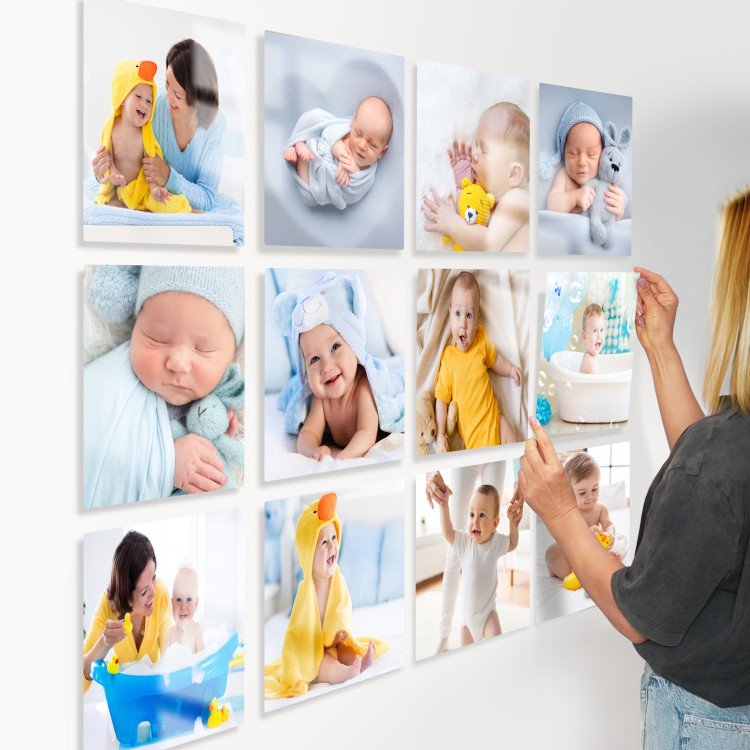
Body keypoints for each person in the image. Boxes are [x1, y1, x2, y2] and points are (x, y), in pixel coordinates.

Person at [518, 187, 750, 747]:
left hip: (709, 723)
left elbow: (636, 617)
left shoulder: (718, 461)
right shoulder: (726, 448)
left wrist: (560, 514)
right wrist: (661, 349)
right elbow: (714, 472)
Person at [84, 265, 244, 506]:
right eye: (157, 339)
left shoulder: (211, 409)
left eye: (202, 349)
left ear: (232, 355)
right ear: (136, 327)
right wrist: (168, 464)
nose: (177, 363)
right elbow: (96, 455)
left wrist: (212, 442)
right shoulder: (106, 377)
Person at [264, 493, 387, 698]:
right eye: (323, 542)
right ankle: (347, 673)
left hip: (332, 643)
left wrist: (341, 631)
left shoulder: (337, 579)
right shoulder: (306, 591)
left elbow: (342, 608)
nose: (332, 546)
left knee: (347, 652)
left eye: (334, 538)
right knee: (325, 664)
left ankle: (356, 663)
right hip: (310, 651)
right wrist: (310, 650)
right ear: (308, 553)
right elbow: (298, 631)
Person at [273, 272, 405, 461]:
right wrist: (313, 451)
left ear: (353, 344)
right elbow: (308, 433)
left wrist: (341, 458)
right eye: (314, 359)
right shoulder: (322, 399)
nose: (326, 366)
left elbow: (366, 433)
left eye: (335, 347)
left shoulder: (364, 387)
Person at [93, 39, 226, 212]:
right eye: (167, 84)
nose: (168, 97)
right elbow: (119, 147)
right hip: (142, 192)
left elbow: (207, 199)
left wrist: (169, 177)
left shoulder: (216, 127)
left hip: (160, 199)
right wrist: (101, 173)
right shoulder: (152, 105)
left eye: (177, 95)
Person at [422, 102, 530, 252]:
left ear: (513, 174)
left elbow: (486, 244)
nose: (474, 153)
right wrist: (463, 187)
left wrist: (452, 223)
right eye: (476, 145)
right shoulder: (490, 200)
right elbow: (472, 232)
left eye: (484, 150)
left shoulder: (519, 199)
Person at [434, 271, 521, 452]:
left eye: (469, 316)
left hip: (495, 421)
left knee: (511, 435)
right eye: (458, 314)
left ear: (477, 319)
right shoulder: (449, 358)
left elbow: (494, 359)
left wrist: (511, 369)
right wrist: (441, 434)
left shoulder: (481, 339)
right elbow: (441, 399)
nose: (463, 324)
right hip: (474, 442)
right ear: (450, 314)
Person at [94, 58, 191, 213]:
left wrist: (154, 189)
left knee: (169, 203)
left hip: (143, 191)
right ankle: (123, 202)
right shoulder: (111, 128)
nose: (145, 104)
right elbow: (107, 158)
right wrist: (114, 173)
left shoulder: (145, 134)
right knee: (107, 203)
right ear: (123, 97)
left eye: (149, 100)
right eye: (138, 97)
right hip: (120, 189)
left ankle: (188, 211)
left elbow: (151, 168)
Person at [434, 483, 521, 645]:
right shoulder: (465, 542)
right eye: (472, 514)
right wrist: (444, 505)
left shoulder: (495, 543)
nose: (475, 521)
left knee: (495, 645)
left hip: (488, 615)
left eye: (482, 515)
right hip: (467, 621)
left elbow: (513, 543)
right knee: (467, 659)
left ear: (495, 524)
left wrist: (512, 523)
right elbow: (447, 531)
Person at [83, 531, 171, 690]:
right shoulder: (108, 604)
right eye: (144, 591)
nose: (153, 593)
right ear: (127, 596)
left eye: (153, 578)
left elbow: (170, 656)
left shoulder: (162, 594)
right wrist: (105, 641)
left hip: (156, 691)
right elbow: (81, 675)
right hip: (125, 697)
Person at [283, 96, 393, 209]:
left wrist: (354, 171)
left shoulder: (367, 177)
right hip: (317, 149)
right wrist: (342, 155)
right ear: (353, 123)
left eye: (372, 145)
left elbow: (354, 196)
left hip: (318, 181)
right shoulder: (346, 132)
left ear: (382, 152)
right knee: (315, 117)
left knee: (309, 198)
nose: (362, 146)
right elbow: (329, 132)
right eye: (358, 134)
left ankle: (300, 156)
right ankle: (298, 143)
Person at [545, 452, 619, 589]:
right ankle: (574, 572)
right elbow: (566, 537)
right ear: (568, 490)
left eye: (595, 489)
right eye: (582, 493)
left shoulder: (601, 509)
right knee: (551, 551)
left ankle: (594, 570)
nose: (590, 496)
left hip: (592, 554)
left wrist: (610, 534)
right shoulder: (570, 511)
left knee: (607, 557)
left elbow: (609, 524)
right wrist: (585, 535)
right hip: (572, 553)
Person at [544, 100, 626, 220]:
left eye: (592, 154)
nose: (582, 162)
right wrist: (574, 197)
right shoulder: (564, 176)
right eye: (573, 153)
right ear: (564, 152)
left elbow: (612, 213)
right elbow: (551, 206)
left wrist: (619, 210)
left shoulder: (603, 180)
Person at [165, 566, 205, 653]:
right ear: (172, 603)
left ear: (196, 604)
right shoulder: (170, 633)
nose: (183, 606)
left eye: (189, 599)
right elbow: (164, 664)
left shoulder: (196, 630)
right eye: (178, 599)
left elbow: (202, 661)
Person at [579, 303, 605, 374]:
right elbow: (599, 384)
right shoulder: (589, 362)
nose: (599, 336)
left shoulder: (592, 357)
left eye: (601, 330)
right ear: (584, 336)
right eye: (595, 331)